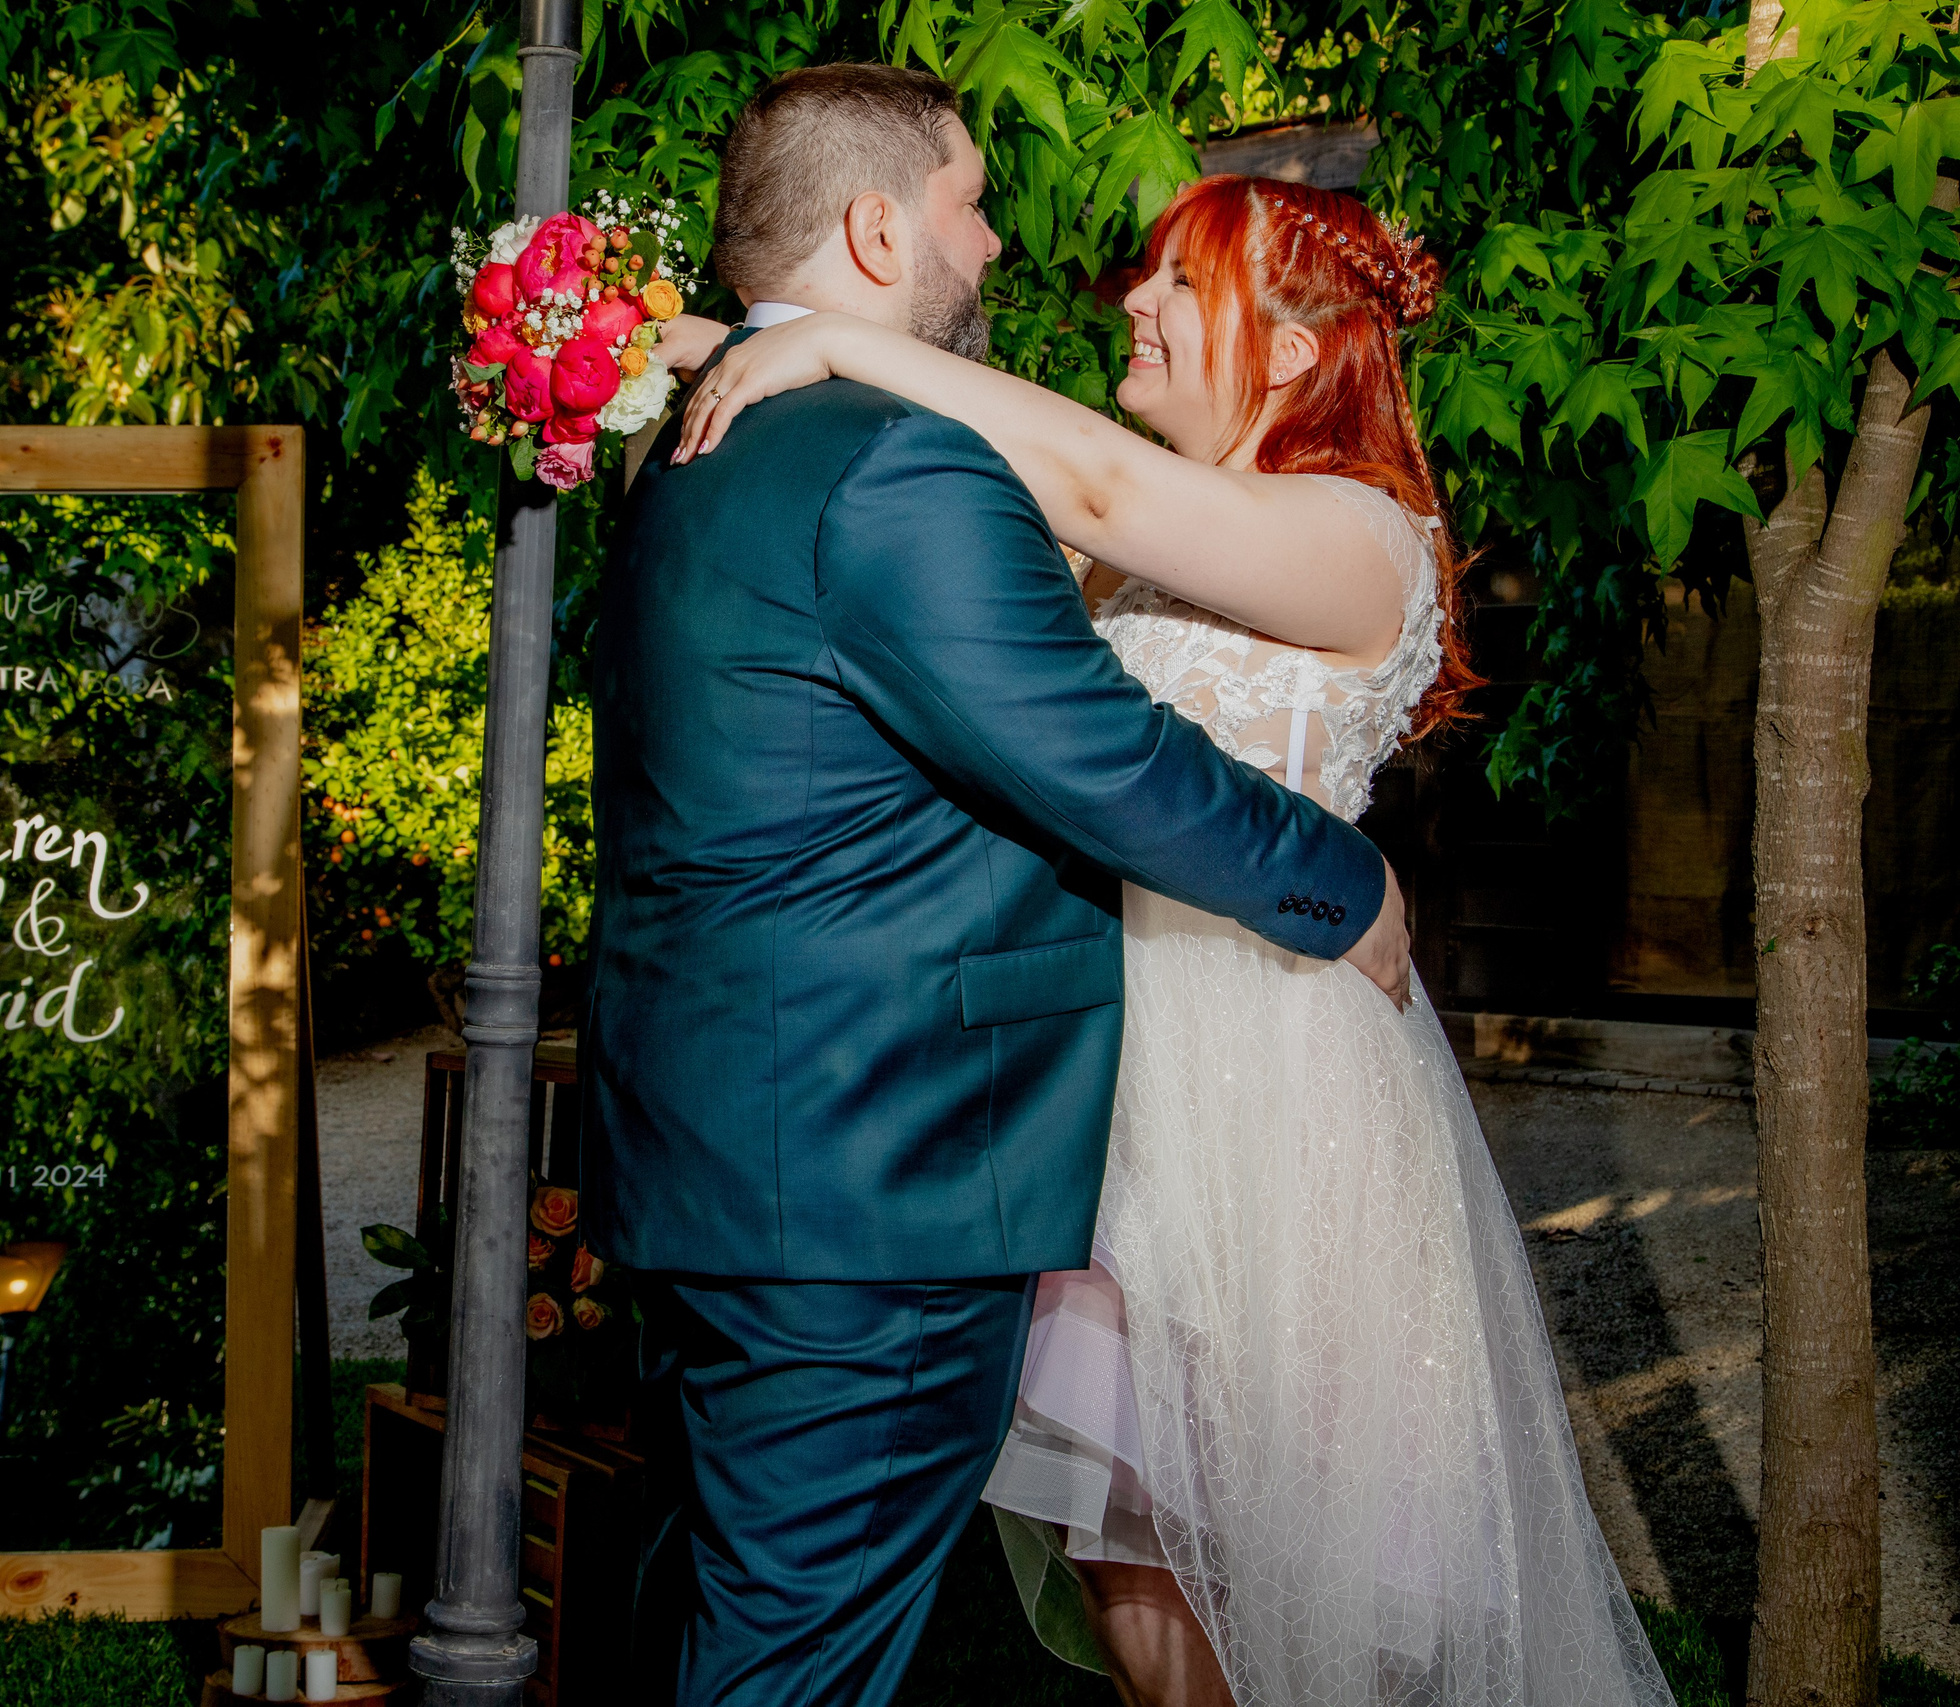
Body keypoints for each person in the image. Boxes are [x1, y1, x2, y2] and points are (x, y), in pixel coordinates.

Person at [660, 174, 1679, 1707]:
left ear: (1284, 354)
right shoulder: (1134, 552)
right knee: (1135, 1561)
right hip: (1109, 1095)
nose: (1131, 299)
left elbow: (1094, 486)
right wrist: (660, 342)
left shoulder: (1361, 534)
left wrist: (829, 345)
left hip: (1270, 1092)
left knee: (1294, 1572)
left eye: (1182, 287)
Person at [581, 64, 1413, 1707]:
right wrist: (1346, 884)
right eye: (969, 205)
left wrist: (762, 340)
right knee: (785, 1664)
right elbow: (1096, 751)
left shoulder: (702, 453)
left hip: (752, 1156)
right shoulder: (893, 466)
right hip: (862, 1183)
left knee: (732, 1627)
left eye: (1189, 282)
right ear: (881, 231)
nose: (1005, 245)